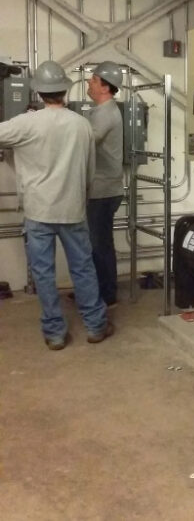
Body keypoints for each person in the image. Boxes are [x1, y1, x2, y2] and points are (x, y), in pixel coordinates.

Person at [0, 60, 112, 349]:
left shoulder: (25, 123)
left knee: (44, 274)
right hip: (72, 209)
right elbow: (89, 172)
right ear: (65, 90)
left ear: (37, 93)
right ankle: (96, 326)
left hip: (38, 211)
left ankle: (54, 333)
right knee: (83, 268)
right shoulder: (82, 125)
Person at [85, 61, 125, 308]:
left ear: (104, 87)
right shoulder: (101, 111)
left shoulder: (106, 113)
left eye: (93, 80)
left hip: (103, 190)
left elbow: (86, 142)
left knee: (100, 245)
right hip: (100, 188)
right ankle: (94, 290)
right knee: (96, 243)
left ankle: (106, 294)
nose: (89, 82)